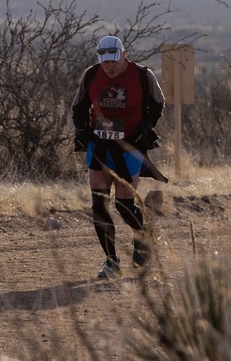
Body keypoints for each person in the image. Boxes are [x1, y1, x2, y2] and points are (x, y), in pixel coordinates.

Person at [70, 35, 167, 279]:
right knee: (99, 207)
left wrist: (146, 127)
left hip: (129, 146)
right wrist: (81, 129)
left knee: (124, 205)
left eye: (114, 61)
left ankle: (143, 234)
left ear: (123, 55)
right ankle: (111, 261)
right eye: (105, 63)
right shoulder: (91, 75)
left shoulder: (143, 75)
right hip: (100, 145)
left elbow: (158, 103)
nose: (109, 67)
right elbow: (78, 106)